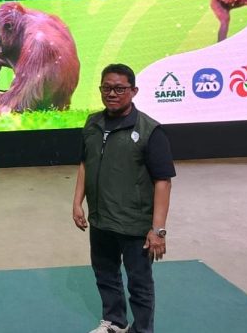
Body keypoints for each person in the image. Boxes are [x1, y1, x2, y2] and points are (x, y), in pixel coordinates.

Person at [72, 64, 175, 333]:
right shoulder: (92, 123)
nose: (112, 93)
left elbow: (163, 181)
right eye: (107, 88)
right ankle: (115, 322)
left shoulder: (151, 130)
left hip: (135, 225)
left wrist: (158, 230)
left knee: (139, 284)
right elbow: (85, 163)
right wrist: (77, 202)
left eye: (119, 88)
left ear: (134, 91)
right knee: (105, 275)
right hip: (101, 220)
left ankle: (142, 329)